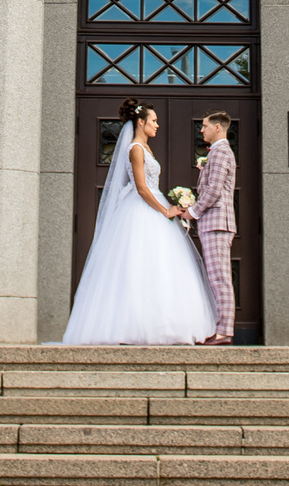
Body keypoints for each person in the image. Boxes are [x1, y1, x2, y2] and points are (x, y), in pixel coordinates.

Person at [60, 99, 219, 346]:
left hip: (152, 205)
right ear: (141, 122)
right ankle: (134, 326)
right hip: (141, 208)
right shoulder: (135, 148)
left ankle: (162, 324)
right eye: (153, 121)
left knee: (160, 266)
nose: (157, 125)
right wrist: (166, 211)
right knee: (138, 264)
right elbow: (142, 189)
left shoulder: (146, 148)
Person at [183, 111, 238, 345]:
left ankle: (224, 331)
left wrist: (192, 212)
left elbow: (214, 190)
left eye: (204, 126)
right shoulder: (216, 153)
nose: (201, 130)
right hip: (214, 223)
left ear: (218, 127)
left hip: (217, 223)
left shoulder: (221, 152)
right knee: (216, 277)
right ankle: (219, 327)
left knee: (220, 278)